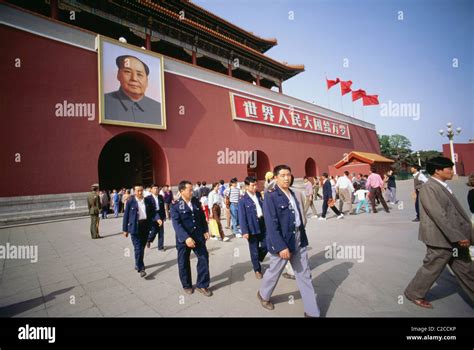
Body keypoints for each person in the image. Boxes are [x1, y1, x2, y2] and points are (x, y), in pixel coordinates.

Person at [404, 157, 473, 308]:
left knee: (466, 269)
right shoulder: (430, 187)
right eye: (449, 168)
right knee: (432, 268)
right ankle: (413, 293)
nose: (452, 171)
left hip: (454, 237)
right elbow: (439, 215)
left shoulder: (442, 185)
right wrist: (457, 236)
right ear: (437, 170)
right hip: (440, 238)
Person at [257, 165, 320, 317]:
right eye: (283, 175)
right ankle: (263, 295)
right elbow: (271, 225)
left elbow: (298, 217)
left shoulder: (293, 193)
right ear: (276, 178)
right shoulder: (271, 196)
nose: (287, 178)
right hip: (283, 242)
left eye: (289, 175)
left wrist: (302, 238)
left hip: (298, 238)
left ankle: (312, 312)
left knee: (304, 275)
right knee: (274, 271)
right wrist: (281, 246)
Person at [171, 181, 212, 297]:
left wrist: (205, 230)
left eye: (192, 189)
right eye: (189, 190)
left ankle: (202, 284)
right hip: (183, 239)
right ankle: (187, 284)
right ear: (181, 191)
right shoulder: (175, 206)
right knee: (183, 262)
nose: (192, 191)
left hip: (198, 236)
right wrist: (186, 238)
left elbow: (201, 217)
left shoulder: (195, 201)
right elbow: (176, 224)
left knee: (203, 258)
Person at [104, 55, 162, 125]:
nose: (134, 78)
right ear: (118, 74)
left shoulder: (159, 109)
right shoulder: (104, 102)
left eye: (139, 74)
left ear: (147, 81)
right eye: (128, 72)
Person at [239, 176, 268, 279]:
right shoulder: (243, 200)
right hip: (251, 227)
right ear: (247, 186)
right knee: (254, 249)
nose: (255, 187)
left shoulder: (259, 194)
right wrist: (244, 231)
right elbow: (242, 217)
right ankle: (257, 269)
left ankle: (258, 258)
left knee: (267, 244)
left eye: (256, 185)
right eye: (253, 185)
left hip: (262, 223)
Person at [122, 185, 154, 278]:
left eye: (141, 190)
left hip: (145, 226)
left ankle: (137, 263)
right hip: (135, 227)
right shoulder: (130, 201)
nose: (140, 192)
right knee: (138, 247)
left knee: (141, 247)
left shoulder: (147, 201)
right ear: (134, 191)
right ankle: (141, 268)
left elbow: (152, 213)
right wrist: (125, 229)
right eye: (138, 191)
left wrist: (156, 220)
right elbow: (126, 216)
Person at [146, 184, 166, 251]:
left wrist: (164, 216)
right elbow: (150, 210)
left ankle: (160, 247)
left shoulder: (160, 197)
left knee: (161, 232)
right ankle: (149, 240)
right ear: (151, 190)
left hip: (160, 215)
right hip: (152, 216)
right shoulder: (148, 198)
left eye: (157, 188)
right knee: (154, 231)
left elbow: (162, 207)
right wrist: (156, 218)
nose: (156, 190)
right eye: (154, 188)